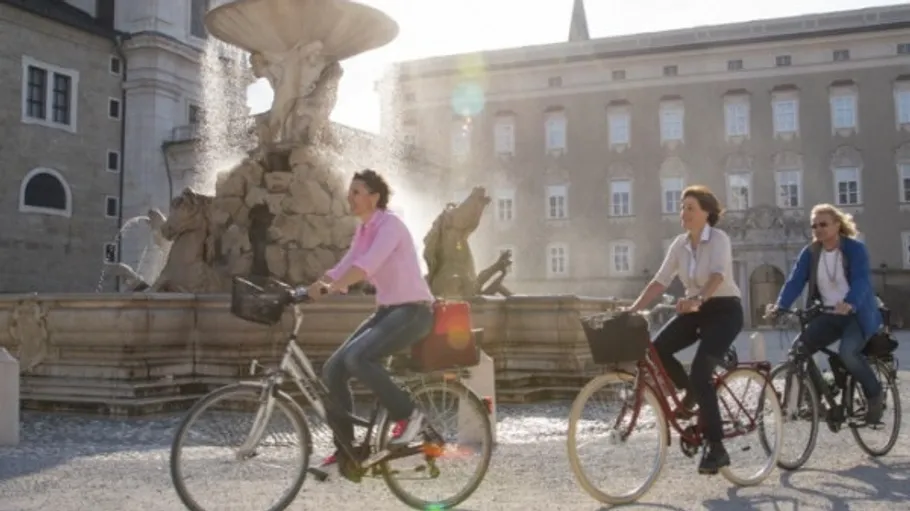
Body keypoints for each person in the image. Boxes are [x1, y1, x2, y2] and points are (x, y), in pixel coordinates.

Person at [304, 169, 435, 470]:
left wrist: (329, 286)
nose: (350, 197)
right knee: (333, 369)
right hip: (388, 311)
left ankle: (410, 415)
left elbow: (365, 266)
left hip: (414, 311)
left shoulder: (391, 226)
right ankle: (347, 452)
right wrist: (309, 287)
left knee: (357, 358)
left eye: (357, 192)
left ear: (375, 197)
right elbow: (345, 265)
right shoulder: (364, 230)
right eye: (350, 192)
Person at [627, 185, 743, 475]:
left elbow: (718, 275)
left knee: (702, 370)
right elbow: (660, 281)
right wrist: (632, 308)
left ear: (707, 212)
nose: (684, 213)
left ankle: (716, 448)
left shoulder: (719, 239)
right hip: (695, 308)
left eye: (690, 207)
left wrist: (698, 299)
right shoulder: (679, 244)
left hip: (725, 309)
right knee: (657, 348)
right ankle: (691, 394)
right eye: (682, 207)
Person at [766, 203, 883, 423]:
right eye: (814, 225)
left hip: (856, 315)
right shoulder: (811, 252)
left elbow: (861, 280)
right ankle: (816, 401)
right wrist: (780, 306)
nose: (818, 229)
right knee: (798, 351)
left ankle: (875, 395)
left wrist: (849, 302)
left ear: (837, 225)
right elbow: (795, 281)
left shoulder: (854, 249)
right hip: (828, 315)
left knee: (848, 352)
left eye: (823, 224)